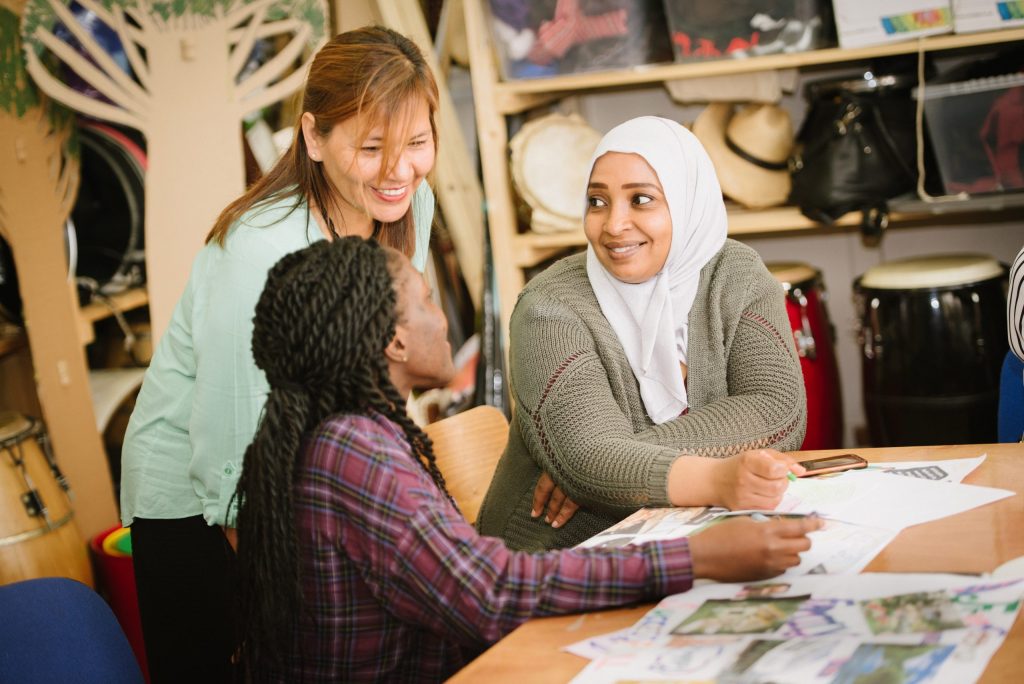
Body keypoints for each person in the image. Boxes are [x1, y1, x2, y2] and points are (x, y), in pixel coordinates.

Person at [233, 237, 823, 683]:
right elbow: (490, 590)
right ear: (394, 341)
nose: (442, 319)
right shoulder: (353, 450)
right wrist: (695, 558)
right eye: (428, 302)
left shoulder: (344, 435)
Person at [118, 26, 440, 682]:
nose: (397, 171)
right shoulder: (258, 253)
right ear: (314, 137)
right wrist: (281, 597)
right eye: (372, 147)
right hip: (201, 507)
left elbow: (381, 360)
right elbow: (230, 456)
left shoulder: (411, 204)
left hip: (302, 471)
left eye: (417, 143)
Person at [477, 116, 808, 551]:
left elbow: (778, 411)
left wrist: (610, 465)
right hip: (549, 566)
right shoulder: (548, 309)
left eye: (641, 199)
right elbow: (591, 459)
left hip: (684, 543)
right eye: (597, 201)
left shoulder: (736, 275)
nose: (614, 225)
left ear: (687, 201)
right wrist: (596, 465)